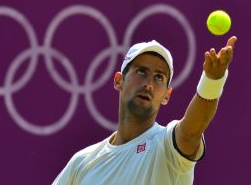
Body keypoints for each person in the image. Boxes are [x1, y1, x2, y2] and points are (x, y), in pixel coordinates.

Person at [52, 36, 237, 185]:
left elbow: (190, 134)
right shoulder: (83, 162)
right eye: (141, 72)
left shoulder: (167, 146)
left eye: (158, 77)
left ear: (167, 95)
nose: (149, 84)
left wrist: (213, 81)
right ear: (119, 80)